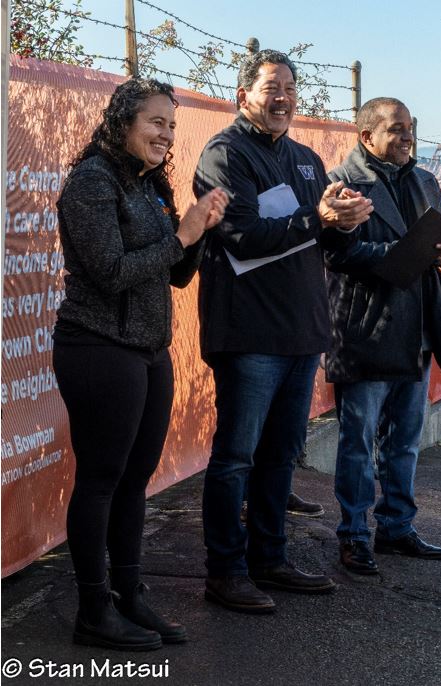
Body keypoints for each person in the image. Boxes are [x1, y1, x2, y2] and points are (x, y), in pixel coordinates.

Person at [193, 49, 373, 613]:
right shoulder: (224, 154)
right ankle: (225, 570)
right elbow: (242, 238)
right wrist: (315, 219)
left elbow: (323, 243)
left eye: (291, 88)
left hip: (302, 331)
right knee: (236, 458)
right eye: (271, 87)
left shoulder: (305, 159)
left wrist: (346, 223)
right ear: (244, 94)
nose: (283, 97)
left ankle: (269, 559)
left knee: (279, 456)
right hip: (249, 334)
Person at [53, 78, 228, 650]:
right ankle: (92, 609)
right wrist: (182, 234)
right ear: (122, 122)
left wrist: (198, 231)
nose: (166, 134)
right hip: (98, 346)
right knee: (102, 480)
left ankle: (131, 596)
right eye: (156, 122)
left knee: (135, 482)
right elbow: (111, 272)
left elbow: (174, 273)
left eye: (172, 126)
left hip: (149, 350)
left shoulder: (151, 184)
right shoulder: (90, 182)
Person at [324, 97, 441, 575]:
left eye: (410, 127)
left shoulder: (425, 179)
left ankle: (397, 527)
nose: (407, 135)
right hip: (367, 327)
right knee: (358, 439)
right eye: (396, 128)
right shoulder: (341, 183)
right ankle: (354, 534)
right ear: (367, 136)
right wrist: (395, 252)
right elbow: (335, 253)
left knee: (406, 438)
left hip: (420, 328)